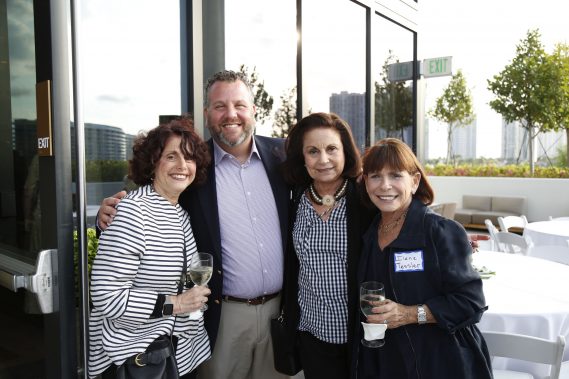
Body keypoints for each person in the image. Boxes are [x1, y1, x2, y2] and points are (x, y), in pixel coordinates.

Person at [96, 70, 290, 379]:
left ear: (254, 109)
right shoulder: (196, 166)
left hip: (279, 314)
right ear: (207, 114)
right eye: (219, 106)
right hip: (221, 317)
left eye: (239, 104)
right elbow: (148, 204)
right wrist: (108, 215)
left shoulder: (283, 156)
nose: (231, 114)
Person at [351, 138, 493, 379]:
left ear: (415, 181)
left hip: (440, 361)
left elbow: (471, 303)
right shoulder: (368, 232)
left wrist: (408, 314)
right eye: (375, 176)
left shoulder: (440, 231)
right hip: (385, 359)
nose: (385, 185)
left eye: (396, 176)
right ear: (365, 183)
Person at [88, 118, 212, 379]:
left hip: (178, 355)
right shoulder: (134, 211)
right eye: (171, 156)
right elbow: (105, 294)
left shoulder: (179, 213)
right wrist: (175, 304)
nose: (182, 166)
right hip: (140, 360)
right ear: (153, 162)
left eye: (189, 158)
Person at [280, 112, 376, 378]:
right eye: (312, 151)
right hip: (312, 333)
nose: (323, 159)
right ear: (302, 158)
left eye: (331, 149)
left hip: (360, 334)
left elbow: (401, 210)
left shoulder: (365, 199)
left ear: (346, 152)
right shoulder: (295, 199)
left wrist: (443, 236)